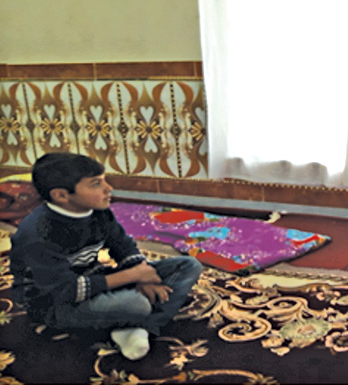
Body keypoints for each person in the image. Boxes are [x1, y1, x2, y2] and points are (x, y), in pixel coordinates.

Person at [9, 153, 203, 361]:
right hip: (52, 304)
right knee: (137, 304)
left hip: (93, 279)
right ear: (61, 196)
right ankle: (136, 323)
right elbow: (64, 290)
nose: (109, 188)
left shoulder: (98, 212)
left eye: (104, 180)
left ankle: (141, 328)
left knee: (188, 265)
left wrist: (144, 276)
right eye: (96, 184)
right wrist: (134, 276)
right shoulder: (37, 233)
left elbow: (123, 246)